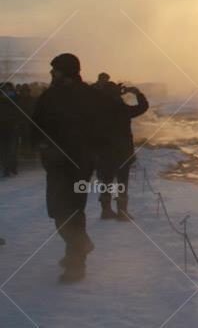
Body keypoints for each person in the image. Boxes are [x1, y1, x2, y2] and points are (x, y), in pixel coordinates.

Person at [32, 53, 105, 283]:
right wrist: (43, 145)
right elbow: (35, 126)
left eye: (56, 69)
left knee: (72, 210)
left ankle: (76, 262)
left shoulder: (90, 96)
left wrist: (94, 152)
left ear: (68, 71)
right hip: (56, 164)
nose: (52, 73)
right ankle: (79, 245)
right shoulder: (49, 96)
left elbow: (104, 128)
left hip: (79, 164)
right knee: (57, 211)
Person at [91, 74, 148, 221]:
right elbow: (142, 107)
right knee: (122, 181)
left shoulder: (96, 109)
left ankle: (106, 211)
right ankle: (122, 212)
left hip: (103, 151)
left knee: (106, 182)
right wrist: (137, 93)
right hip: (123, 151)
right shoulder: (121, 108)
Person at [0, 83, 19, 176]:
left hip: (9, 127)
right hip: (8, 127)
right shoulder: (14, 99)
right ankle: (9, 167)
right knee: (8, 149)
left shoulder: (14, 100)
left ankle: (10, 167)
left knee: (8, 149)